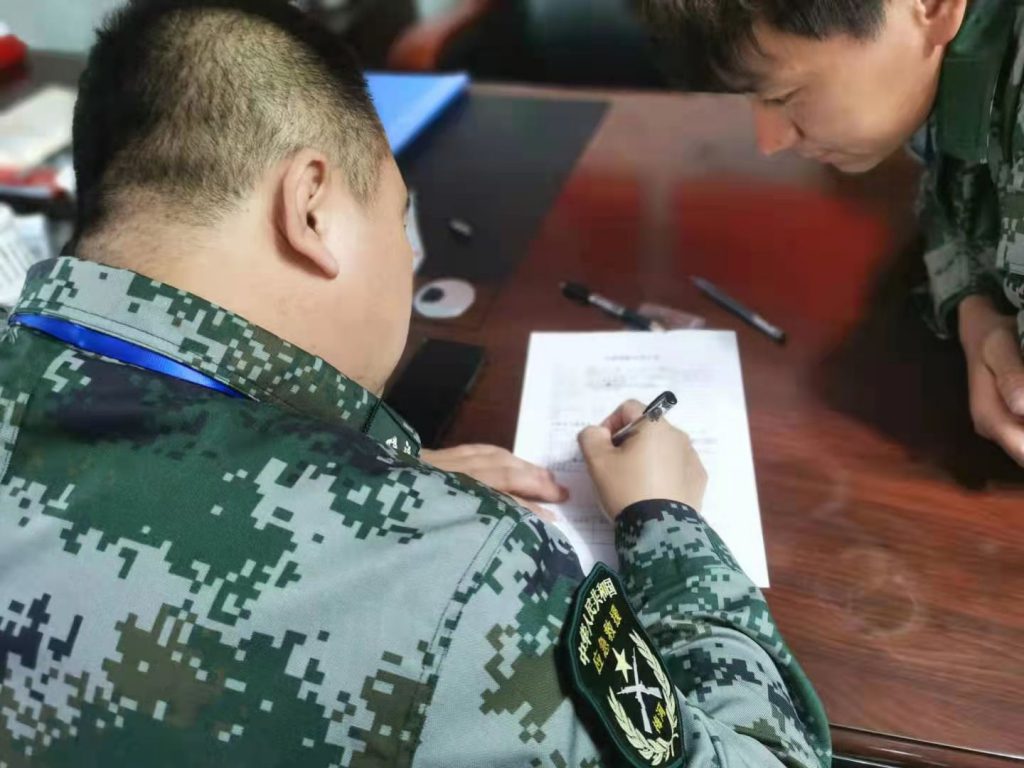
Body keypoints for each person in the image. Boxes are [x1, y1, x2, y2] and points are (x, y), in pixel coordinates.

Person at [0, 1, 830, 765]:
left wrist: (357, 473)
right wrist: (666, 522)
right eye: (399, 218)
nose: (406, 256)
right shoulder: (460, 579)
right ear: (312, 209)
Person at [642, 0, 1024, 467]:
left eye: (784, 95)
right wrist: (976, 307)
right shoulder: (934, 71)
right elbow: (953, 191)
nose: (770, 141)